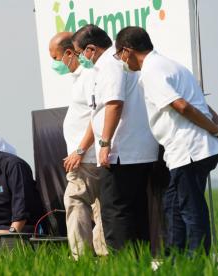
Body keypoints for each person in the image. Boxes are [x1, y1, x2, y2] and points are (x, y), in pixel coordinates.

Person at [115, 26, 218, 254]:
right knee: (172, 206)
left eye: (119, 54)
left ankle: (196, 262)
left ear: (127, 51)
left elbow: (181, 105)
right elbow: (201, 103)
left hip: (188, 149)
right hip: (190, 149)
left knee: (191, 209)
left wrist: (214, 129)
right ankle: (175, 259)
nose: (121, 60)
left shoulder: (151, 70)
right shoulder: (171, 65)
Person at [71, 24, 159, 250]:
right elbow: (98, 111)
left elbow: (113, 104)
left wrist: (104, 143)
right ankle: (137, 262)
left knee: (115, 211)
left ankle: (122, 264)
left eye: (81, 53)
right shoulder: (108, 66)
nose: (81, 59)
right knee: (135, 210)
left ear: (91, 49)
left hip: (121, 152)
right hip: (133, 151)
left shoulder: (110, 63)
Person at [49, 31, 109, 258]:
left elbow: (96, 118)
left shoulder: (87, 77)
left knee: (74, 202)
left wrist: (80, 150)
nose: (55, 63)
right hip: (88, 156)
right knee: (99, 207)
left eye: (55, 58)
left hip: (86, 158)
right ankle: (103, 256)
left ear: (68, 53)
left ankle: (82, 258)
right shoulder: (81, 78)